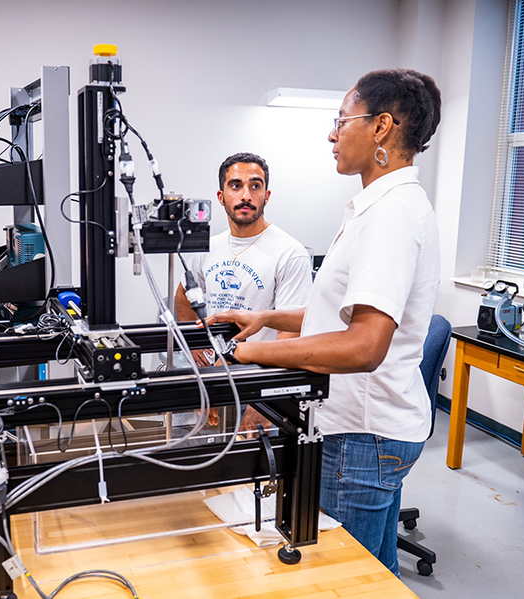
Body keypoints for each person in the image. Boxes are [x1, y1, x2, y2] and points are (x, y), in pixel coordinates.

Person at [205, 69, 442, 577]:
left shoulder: (391, 215)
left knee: (343, 579)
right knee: (377, 575)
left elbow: (364, 346)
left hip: (361, 436)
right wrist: (266, 317)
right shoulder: (377, 206)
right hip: (371, 432)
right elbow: (342, 314)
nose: (332, 134)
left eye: (341, 120)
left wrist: (257, 352)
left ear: (381, 128)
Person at [174, 152, 313, 429]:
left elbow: (289, 335)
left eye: (255, 186)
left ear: (267, 195)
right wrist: (195, 344)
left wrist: (263, 403)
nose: (246, 195)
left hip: (257, 381)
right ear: (221, 195)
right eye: (236, 186)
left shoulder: (289, 253)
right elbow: (183, 297)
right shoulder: (207, 248)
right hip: (214, 377)